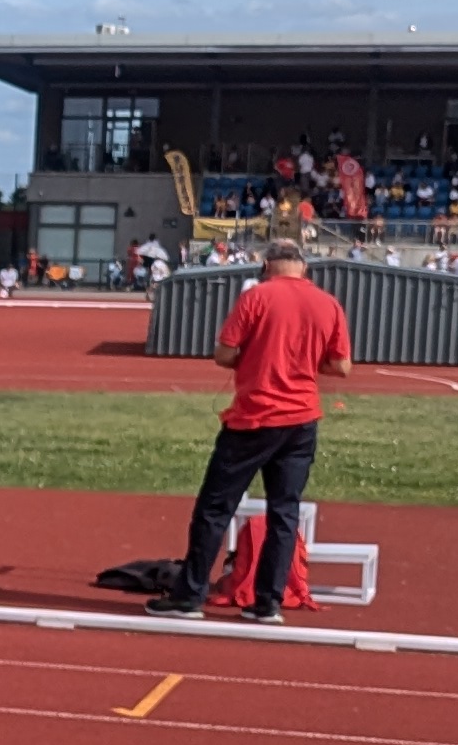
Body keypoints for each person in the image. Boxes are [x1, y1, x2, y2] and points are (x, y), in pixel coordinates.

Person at [150, 237, 350, 622]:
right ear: (303, 267)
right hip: (302, 419)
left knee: (215, 508)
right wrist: (303, 365)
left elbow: (224, 354)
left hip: (254, 416)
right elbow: (341, 366)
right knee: (284, 512)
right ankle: (268, 601)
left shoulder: (256, 297)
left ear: (267, 265)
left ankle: (190, 595)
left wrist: (257, 357)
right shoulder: (329, 304)